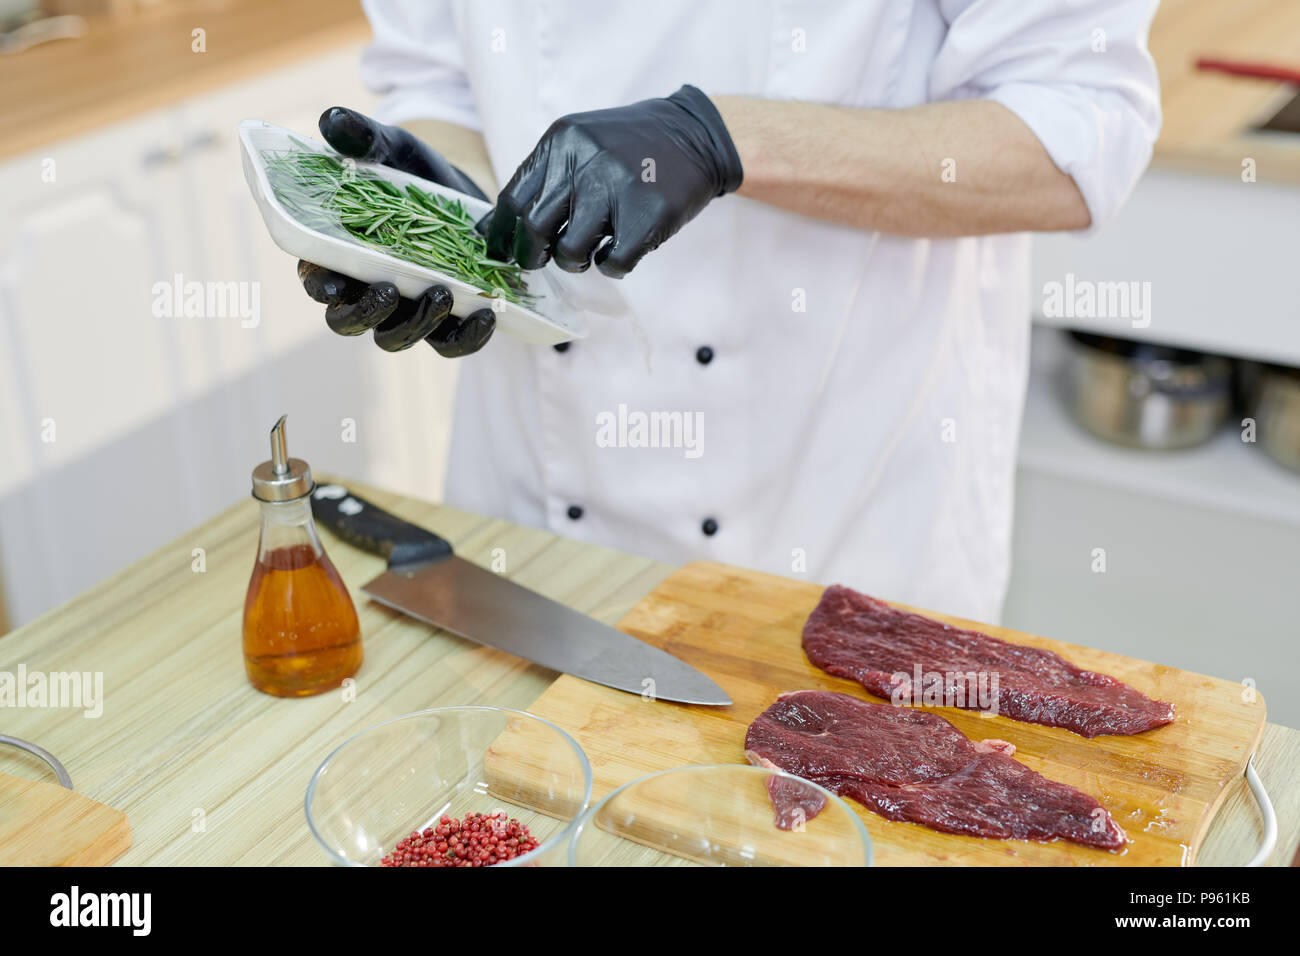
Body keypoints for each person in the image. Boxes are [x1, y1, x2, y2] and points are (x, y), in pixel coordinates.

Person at [299, 0, 1160, 623]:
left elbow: (1074, 138)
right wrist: (449, 222)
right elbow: (436, 82)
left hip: (847, 511)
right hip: (533, 519)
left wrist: (722, 138)